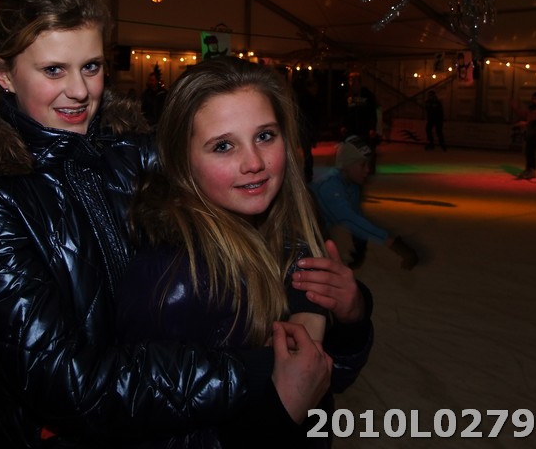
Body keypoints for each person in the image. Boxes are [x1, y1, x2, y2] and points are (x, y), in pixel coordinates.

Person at [0, 0, 332, 449]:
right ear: (4, 76)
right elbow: (62, 381)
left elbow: (267, 192)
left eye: (91, 66)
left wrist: (309, 308)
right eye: (53, 70)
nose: (79, 90)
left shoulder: (128, 147)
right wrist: (254, 371)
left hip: (156, 424)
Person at [117, 57, 373, 447]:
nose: (254, 163)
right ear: (182, 160)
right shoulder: (170, 283)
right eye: (223, 146)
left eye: (265, 136)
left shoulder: (290, 234)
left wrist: (351, 320)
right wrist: (277, 413)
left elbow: (325, 380)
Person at [311, 135, 419, 270]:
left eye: (368, 164)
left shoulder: (352, 185)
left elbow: (356, 216)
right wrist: (394, 244)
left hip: (315, 230)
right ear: (346, 166)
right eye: (362, 165)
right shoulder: (328, 187)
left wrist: (360, 246)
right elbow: (350, 219)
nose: (367, 170)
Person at [341, 71, 379, 172]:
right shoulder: (348, 96)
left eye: (354, 81)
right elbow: (344, 112)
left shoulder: (368, 95)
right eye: (350, 80)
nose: (352, 83)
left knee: (366, 149)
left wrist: (372, 128)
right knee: (352, 148)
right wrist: (343, 125)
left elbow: (372, 112)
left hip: (364, 127)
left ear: (359, 82)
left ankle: (368, 168)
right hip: (351, 128)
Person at [513, 91, 536, 181]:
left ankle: (533, 171)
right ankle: (529, 169)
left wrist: (526, 123)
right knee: (528, 153)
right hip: (530, 134)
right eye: (532, 98)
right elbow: (523, 113)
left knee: (532, 154)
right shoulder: (531, 108)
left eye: (535, 99)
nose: (533, 100)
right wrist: (516, 108)